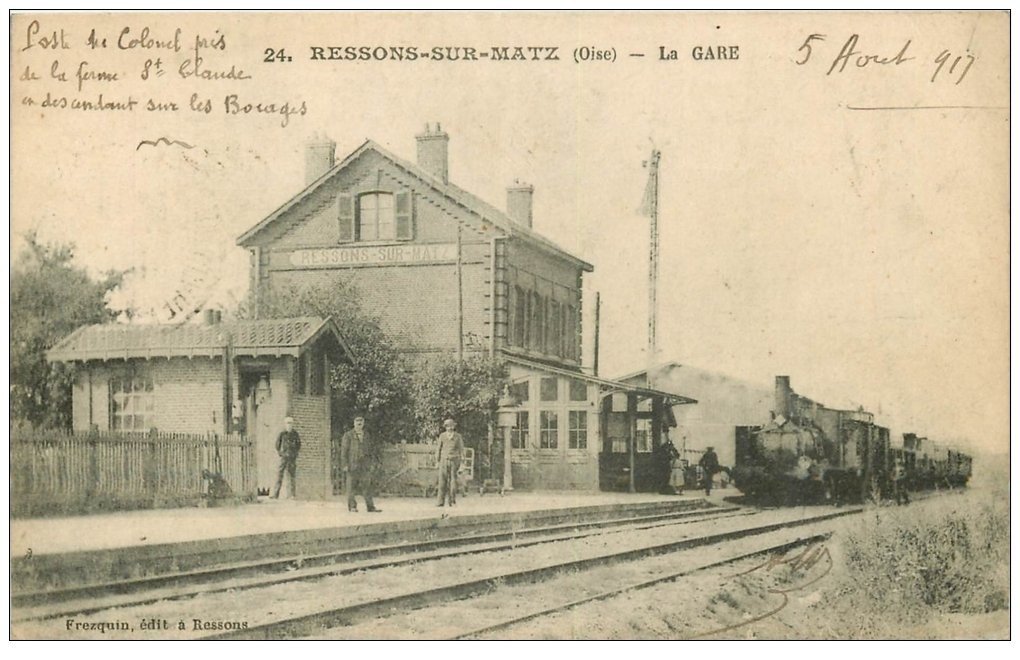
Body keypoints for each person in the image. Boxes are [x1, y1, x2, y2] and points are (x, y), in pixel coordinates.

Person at [340, 415, 382, 513]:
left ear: (363, 423)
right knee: (351, 487)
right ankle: (352, 507)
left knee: (367, 486)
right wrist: (345, 464)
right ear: (354, 423)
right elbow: (344, 451)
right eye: (357, 421)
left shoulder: (367, 435)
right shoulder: (348, 435)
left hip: (365, 465)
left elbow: (371, 450)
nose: (359, 423)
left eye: (361, 421)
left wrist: (372, 463)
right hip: (352, 464)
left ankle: (370, 507)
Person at [435, 418, 465, 507]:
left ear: (454, 426)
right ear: (445, 427)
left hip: (454, 461)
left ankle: (452, 501)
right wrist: (437, 461)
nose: (449, 428)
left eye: (451, 426)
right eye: (447, 426)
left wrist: (462, 463)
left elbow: (461, 450)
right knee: (442, 481)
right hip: (443, 460)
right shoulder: (442, 436)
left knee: (453, 481)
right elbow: (438, 449)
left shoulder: (458, 436)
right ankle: (440, 502)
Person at [272, 416, 301, 499]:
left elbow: (298, 445)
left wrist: (295, 453)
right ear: (285, 424)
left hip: (292, 458)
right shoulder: (282, 434)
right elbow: (277, 445)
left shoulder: (295, 434)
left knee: (292, 476)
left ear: (292, 424)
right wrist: (281, 453)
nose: (289, 425)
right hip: (284, 457)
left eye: (290, 423)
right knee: (279, 474)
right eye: (288, 423)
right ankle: (275, 494)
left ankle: (292, 494)